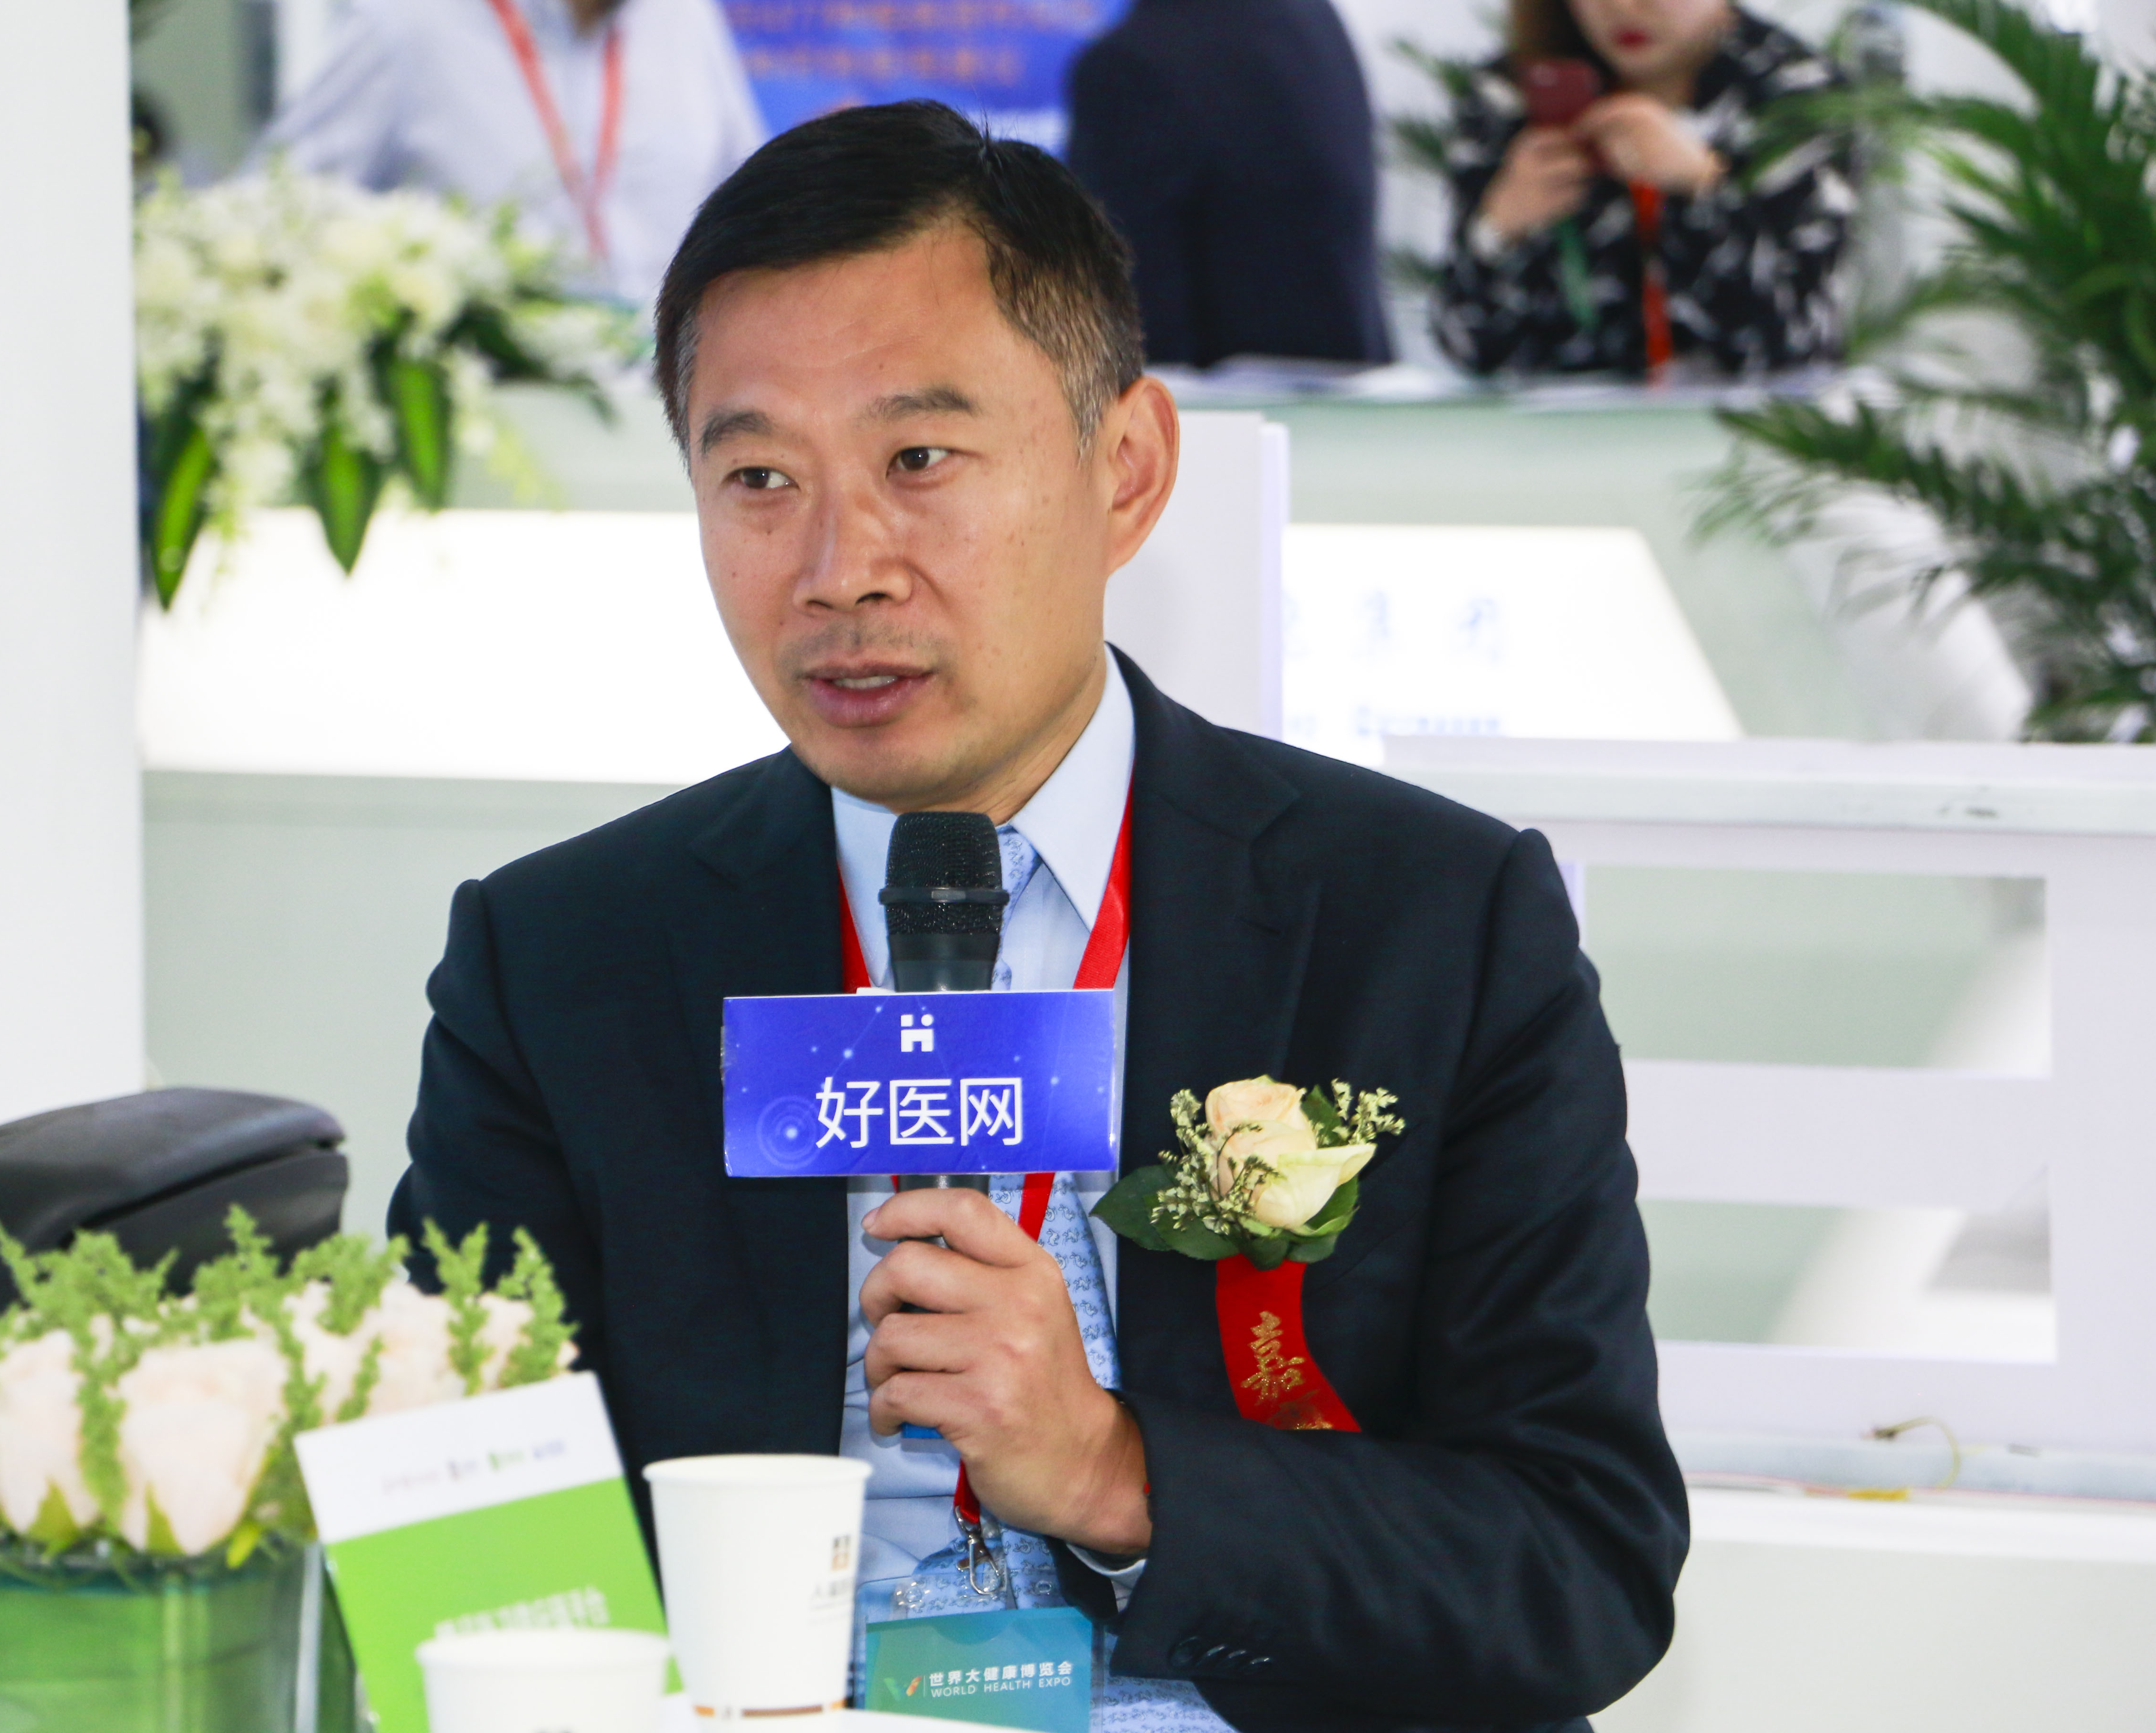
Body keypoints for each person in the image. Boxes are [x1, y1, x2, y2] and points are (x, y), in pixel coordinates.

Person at [396, 100, 1686, 1732]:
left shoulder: (1427, 922)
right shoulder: (561, 958)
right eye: (759, 477)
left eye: (919, 460)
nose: (840, 566)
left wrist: (1112, 1468)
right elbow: (472, 1523)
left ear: (1125, 468)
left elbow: (1579, 1561)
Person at [1431, 0, 1853, 377]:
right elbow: (1467, 347)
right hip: (1561, 433)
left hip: (1734, 430)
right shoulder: (1512, 94)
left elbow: (1792, 344)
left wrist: (1703, 189)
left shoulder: (1796, 94)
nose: (1624, 7)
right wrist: (1498, 228)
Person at [255, 0, 763, 303]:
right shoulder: (408, 23)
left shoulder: (685, 19)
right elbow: (263, 221)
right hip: (489, 421)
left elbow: (753, 222)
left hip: (662, 418)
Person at [1066, 0, 1389, 370]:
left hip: (1225, 395)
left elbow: (1130, 308)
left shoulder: (1128, 62)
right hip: (1356, 382)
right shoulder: (1311, 16)